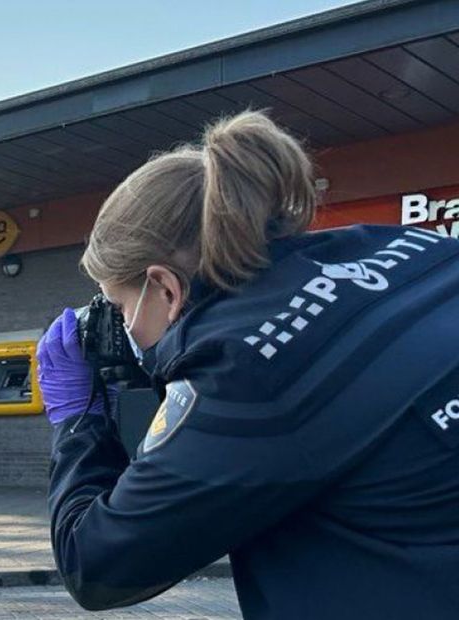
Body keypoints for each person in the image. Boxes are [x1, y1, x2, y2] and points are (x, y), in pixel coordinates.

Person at [36, 109, 459, 619]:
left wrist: (77, 421)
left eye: (121, 307)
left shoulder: (246, 375)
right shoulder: (418, 249)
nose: (123, 328)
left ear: (166, 288)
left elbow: (96, 566)